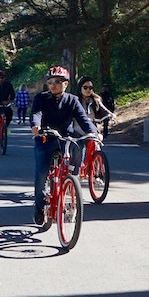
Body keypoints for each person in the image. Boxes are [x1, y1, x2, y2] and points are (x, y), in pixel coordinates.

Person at [30, 66, 98, 225]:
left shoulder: (72, 100)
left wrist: (93, 133)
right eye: (51, 82)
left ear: (66, 84)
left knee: (77, 148)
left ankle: (71, 181)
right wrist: (36, 126)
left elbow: (83, 119)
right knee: (41, 173)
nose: (53, 85)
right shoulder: (41, 98)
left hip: (66, 137)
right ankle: (40, 207)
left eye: (58, 82)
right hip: (45, 136)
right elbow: (36, 114)